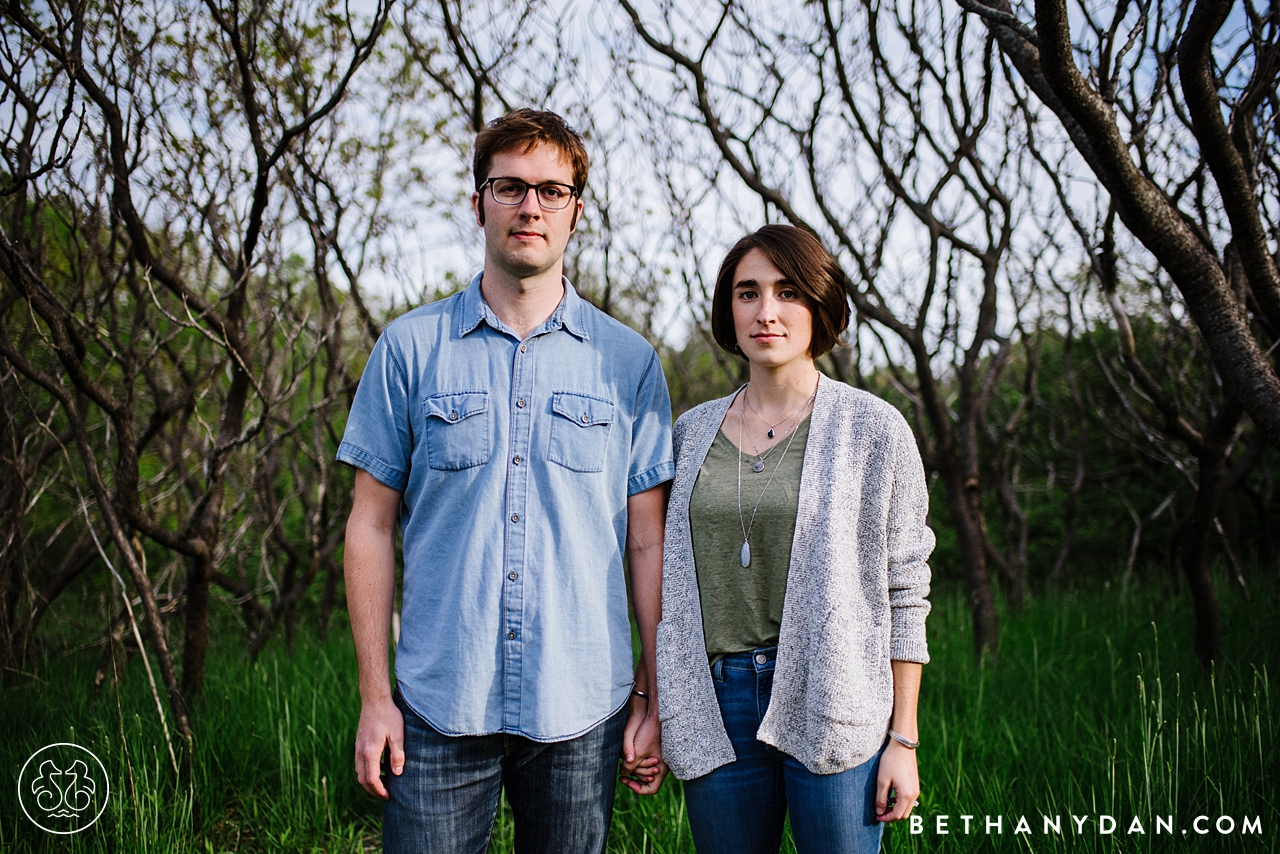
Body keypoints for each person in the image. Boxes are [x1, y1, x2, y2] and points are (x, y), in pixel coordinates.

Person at [338, 108, 673, 854]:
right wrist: (374, 698)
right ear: (478, 201)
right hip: (436, 706)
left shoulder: (630, 364)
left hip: (582, 711)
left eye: (553, 191)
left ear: (576, 212)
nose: (531, 207)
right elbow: (368, 524)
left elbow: (647, 543)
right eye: (511, 186)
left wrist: (651, 695)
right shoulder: (409, 348)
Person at [656, 224, 933, 854]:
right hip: (715, 706)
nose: (767, 312)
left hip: (834, 693)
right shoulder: (690, 434)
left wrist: (904, 740)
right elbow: (662, 583)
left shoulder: (873, 430)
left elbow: (906, 591)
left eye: (788, 292)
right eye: (747, 293)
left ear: (820, 306)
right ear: (730, 308)